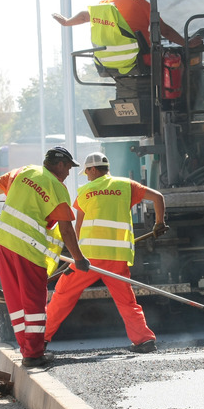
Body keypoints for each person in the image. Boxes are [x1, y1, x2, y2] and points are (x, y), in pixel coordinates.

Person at [45, 152, 167, 354]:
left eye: (87, 172)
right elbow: (158, 197)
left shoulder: (85, 191)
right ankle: (144, 340)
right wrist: (159, 223)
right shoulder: (126, 186)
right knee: (126, 301)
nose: (87, 176)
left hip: (88, 259)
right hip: (116, 258)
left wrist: (76, 255)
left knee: (62, 296)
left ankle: (40, 340)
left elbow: (78, 227)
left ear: (93, 169)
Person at [0, 146, 90, 368]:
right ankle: (34, 354)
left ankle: (27, 349)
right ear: (59, 165)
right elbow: (66, 230)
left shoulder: (22, 172)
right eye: (68, 167)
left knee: (16, 300)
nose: (68, 172)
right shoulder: (57, 187)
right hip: (28, 249)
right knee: (34, 301)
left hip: (3, 243)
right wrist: (79, 259)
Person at [51, 0, 202, 73]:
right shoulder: (141, 4)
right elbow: (165, 30)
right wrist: (186, 43)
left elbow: (85, 16)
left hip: (107, 63)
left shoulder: (105, 6)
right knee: (178, 63)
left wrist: (66, 22)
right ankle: (176, 102)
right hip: (138, 59)